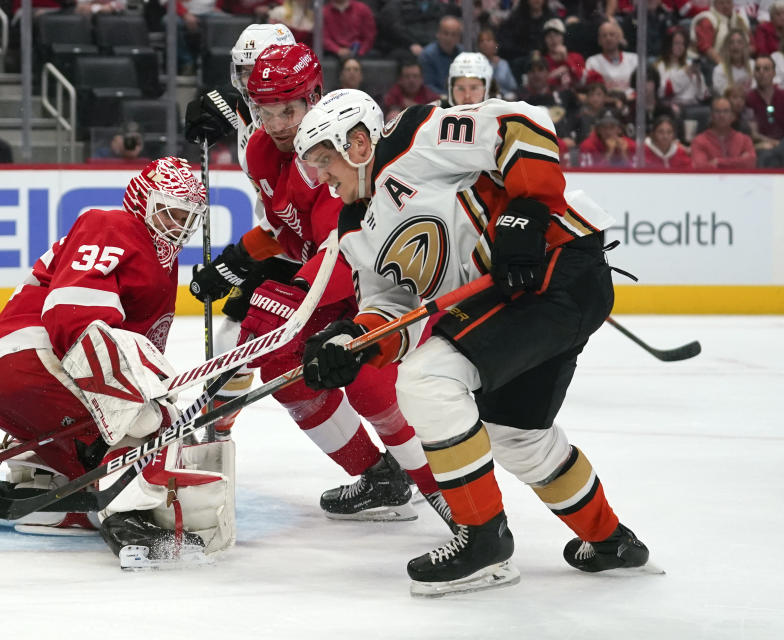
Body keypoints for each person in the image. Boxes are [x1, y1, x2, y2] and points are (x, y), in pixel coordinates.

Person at [294, 88, 651, 597]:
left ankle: (484, 542)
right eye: (313, 168)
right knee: (517, 437)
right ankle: (613, 541)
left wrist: (525, 210)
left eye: (324, 161)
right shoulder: (354, 227)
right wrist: (353, 341)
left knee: (427, 381)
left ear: (356, 143)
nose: (321, 178)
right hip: (511, 301)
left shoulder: (411, 137)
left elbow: (518, 124)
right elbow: (395, 310)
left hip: (558, 266)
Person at [188, 44, 452, 526]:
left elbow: (342, 246)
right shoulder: (260, 150)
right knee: (281, 363)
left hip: (380, 278)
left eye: (288, 110)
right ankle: (379, 478)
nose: (277, 123)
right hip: (333, 273)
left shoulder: (333, 151)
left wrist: (288, 299)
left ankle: (449, 495)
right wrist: (238, 261)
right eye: (265, 111)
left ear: (314, 96)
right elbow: (287, 232)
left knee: (369, 384)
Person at [0, 157, 235, 567]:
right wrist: (142, 411)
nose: (181, 223)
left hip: (19, 382)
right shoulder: (113, 225)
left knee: (143, 432)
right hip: (33, 361)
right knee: (151, 426)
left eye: (190, 215)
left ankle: (56, 496)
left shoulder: (164, 263)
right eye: (172, 210)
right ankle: (128, 517)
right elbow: (72, 315)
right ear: (144, 202)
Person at [184, 23, 297, 434]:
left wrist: (235, 262)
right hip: (282, 246)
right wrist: (213, 104)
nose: (252, 83)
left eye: (261, 70)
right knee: (233, 339)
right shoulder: (258, 108)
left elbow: (292, 220)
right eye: (244, 72)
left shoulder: (298, 126)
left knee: (299, 365)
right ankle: (216, 431)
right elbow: (242, 107)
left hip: (314, 252)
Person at [746, 55, 784, 157]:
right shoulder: (749, 98)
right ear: (754, 73)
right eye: (757, 69)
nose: (761, 72)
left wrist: (783, 144)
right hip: (763, 147)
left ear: (774, 73)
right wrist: (772, 142)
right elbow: (753, 133)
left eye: (766, 69)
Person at [691, 95, 757, 167]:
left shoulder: (745, 140)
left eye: (726, 111)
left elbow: (750, 162)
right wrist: (739, 161)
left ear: (733, 116)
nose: (721, 115)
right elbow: (700, 167)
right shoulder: (699, 141)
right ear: (711, 116)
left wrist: (719, 162)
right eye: (717, 111)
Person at [656, 27, 710, 107]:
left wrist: (698, 76)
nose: (680, 47)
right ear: (668, 44)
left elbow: (703, 96)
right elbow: (662, 92)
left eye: (683, 44)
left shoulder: (690, 64)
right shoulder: (660, 66)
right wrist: (685, 74)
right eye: (677, 43)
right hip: (673, 107)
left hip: (694, 106)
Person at [584, 20, 639, 98]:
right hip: (606, 105)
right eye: (604, 35)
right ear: (599, 40)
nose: (608, 38)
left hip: (632, 102)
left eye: (612, 34)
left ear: (619, 37)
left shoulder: (634, 59)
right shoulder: (592, 62)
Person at [418, 15, 464, 96]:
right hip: (437, 100)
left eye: (453, 34)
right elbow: (428, 86)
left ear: (458, 38)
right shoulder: (427, 55)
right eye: (445, 33)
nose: (449, 38)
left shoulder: (463, 53)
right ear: (438, 34)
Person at [541, 18, 585, 90]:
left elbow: (582, 79)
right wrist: (554, 75)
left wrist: (566, 59)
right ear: (544, 40)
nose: (553, 39)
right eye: (549, 36)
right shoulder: (542, 61)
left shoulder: (577, 57)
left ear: (563, 37)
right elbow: (539, 85)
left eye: (556, 35)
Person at [477, 25, 518, 99]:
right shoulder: (475, 63)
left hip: (503, 99)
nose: (485, 43)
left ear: (495, 44)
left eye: (488, 40)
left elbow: (512, 86)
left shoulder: (503, 64)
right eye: (481, 41)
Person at [712, 28, 755, 95]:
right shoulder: (719, 70)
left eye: (739, 42)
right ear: (727, 47)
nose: (735, 46)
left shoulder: (754, 65)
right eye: (731, 42)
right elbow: (722, 93)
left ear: (745, 46)